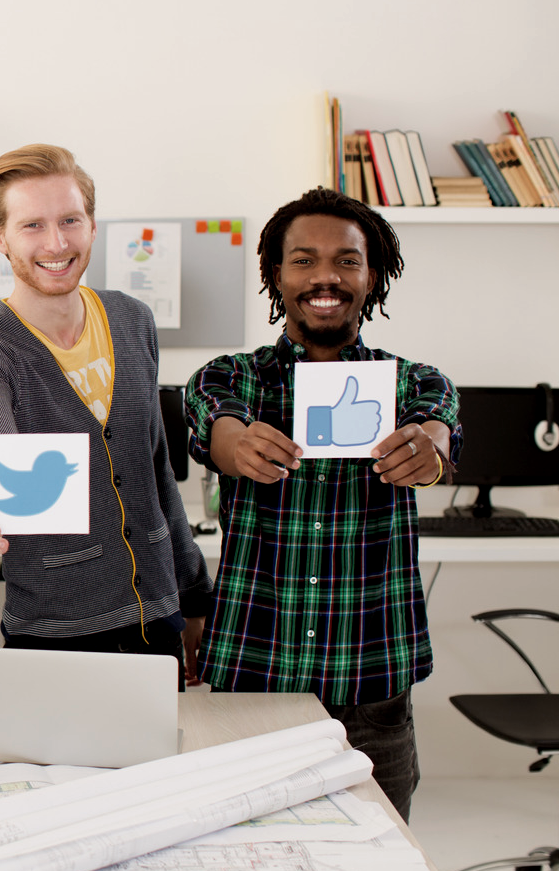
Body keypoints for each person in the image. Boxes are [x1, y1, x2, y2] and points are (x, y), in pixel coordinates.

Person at [183, 188, 460, 820]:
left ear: (373, 275)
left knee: (376, 856)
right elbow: (213, 422)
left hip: (372, 693)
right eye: (304, 260)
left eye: (347, 261)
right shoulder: (231, 377)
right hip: (253, 681)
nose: (326, 277)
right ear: (276, 275)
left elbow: (439, 429)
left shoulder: (416, 382)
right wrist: (236, 445)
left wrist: (429, 450)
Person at [0, 144, 212, 679]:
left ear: (92, 225)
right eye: (33, 226)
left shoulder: (132, 321)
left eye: (70, 220)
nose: (57, 243)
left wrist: (195, 593)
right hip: (53, 634)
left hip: (158, 619)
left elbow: (158, 472)